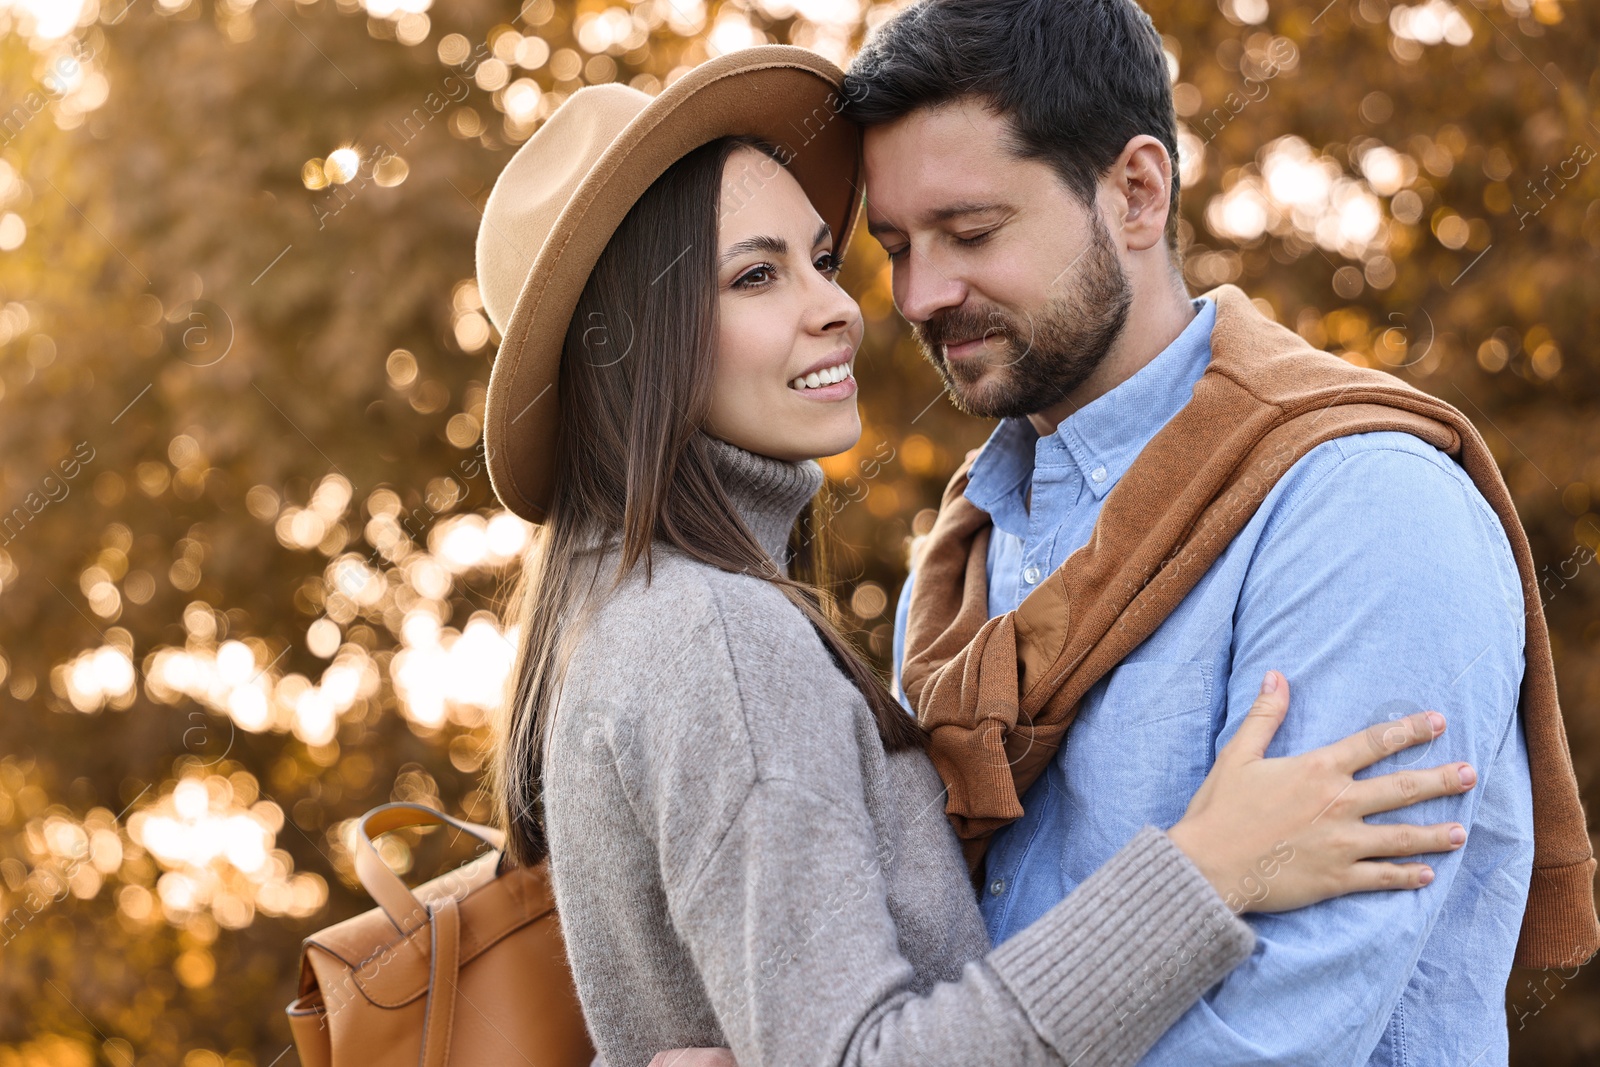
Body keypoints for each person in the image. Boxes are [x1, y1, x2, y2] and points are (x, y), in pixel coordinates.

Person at [473, 48, 1483, 1067]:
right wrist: (1201, 871)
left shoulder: (630, 618)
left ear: (1138, 192)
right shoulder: (723, 633)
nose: (865, 303)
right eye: (754, 275)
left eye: (823, 261)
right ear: (629, 348)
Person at [849, 1, 1594, 1064]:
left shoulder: (1356, 506)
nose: (921, 294)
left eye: (970, 232)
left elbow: (1275, 1036)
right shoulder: (962, 554)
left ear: (1137, 192)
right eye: (894, 247)